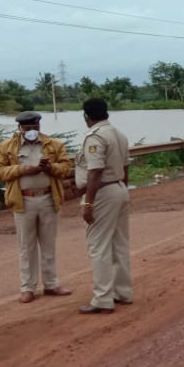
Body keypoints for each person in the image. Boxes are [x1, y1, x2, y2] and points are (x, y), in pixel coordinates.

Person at [0, 111, 74, 303]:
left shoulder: (53, 145)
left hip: (47, 198)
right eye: (27, 129)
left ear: (39, 126)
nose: (32, 131)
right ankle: (27, 287)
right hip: (23, 201)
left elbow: (66, 167)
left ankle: (52, 284)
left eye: (35, 128)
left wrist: (50, 168)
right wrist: (23, 169)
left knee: (48, 244)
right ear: (20, 128)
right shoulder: (6, 147)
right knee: (26, 246)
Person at [76, 98, 132, 314]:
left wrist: (88, 203)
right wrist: (123, 191)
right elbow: (126, 168)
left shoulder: (96, 136)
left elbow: (95, 171)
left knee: (98, 246)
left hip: (103, 192)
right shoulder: (119, 134)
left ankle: (102, 299)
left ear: (86, 117)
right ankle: (123, 292)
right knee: (119, 244)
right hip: (119, 188)